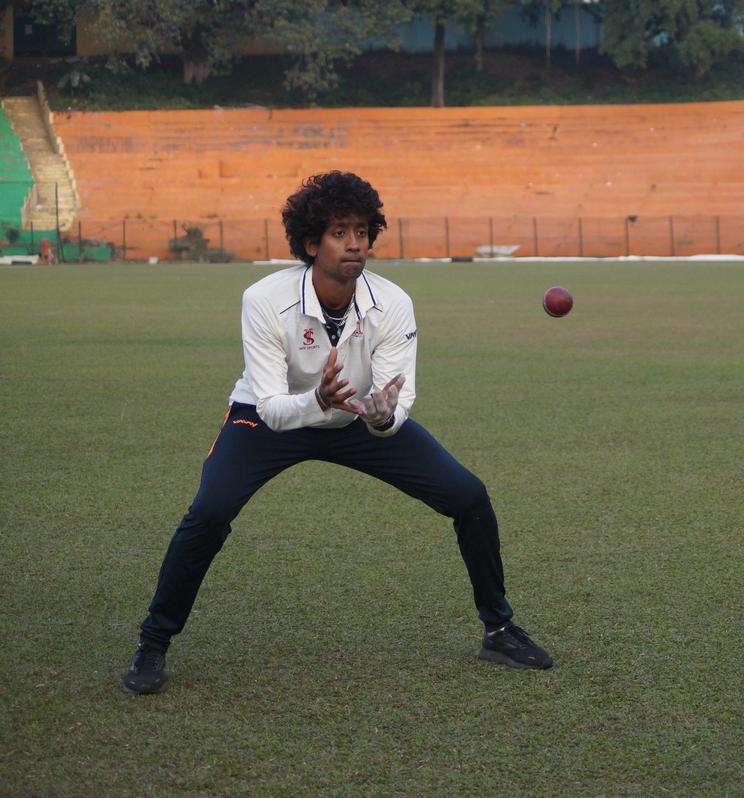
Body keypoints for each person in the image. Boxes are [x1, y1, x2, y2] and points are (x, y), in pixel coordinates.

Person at [122, 171, 552, 694]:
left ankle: (500, 629)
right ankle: (154, 642)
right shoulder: (263, 299)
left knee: (469, 495)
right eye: (339, 232)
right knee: (209, 512)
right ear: (310, 243)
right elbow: (272, 408)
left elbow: (399, 400)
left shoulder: (392, 303)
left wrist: (381, 418)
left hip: (355, 418)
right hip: (269, 417)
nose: (355, 244)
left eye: (363, 231)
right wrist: (318, 399)